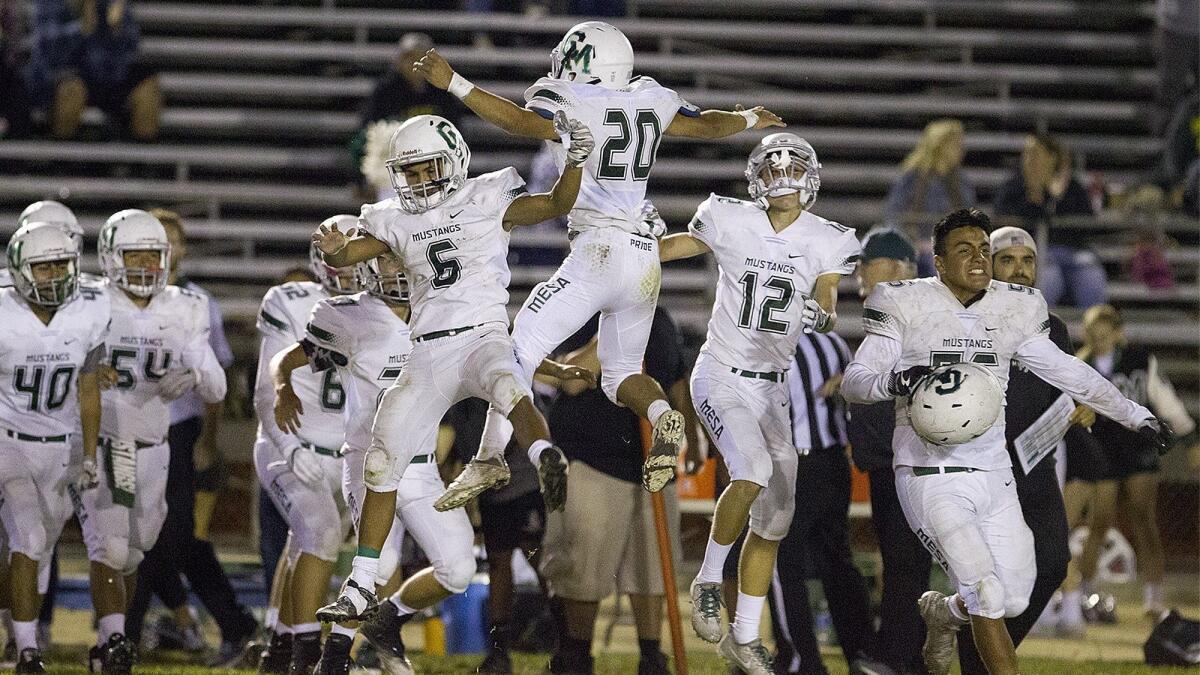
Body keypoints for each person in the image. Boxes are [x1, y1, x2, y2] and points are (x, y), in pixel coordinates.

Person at [412, 22, 785, 507]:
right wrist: (750, 119)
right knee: (622, 372)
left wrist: (454, 83)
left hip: (598, 248)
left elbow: (519, 122)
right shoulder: (648, 98)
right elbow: (705, 123)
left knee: (515, 347)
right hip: (644, 255)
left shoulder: (570, 97)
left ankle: (489, 456)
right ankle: (658, 412)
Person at [840, 207, 1171, 675]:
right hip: (928, 471)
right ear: (937, 261)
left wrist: (1135, 415)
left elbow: (1069, 371)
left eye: (982, 249)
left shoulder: (1014, 308)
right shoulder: (902, 302)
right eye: (964, 251)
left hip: (993, 474)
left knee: (1014, 596)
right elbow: (857, 380)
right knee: (987, 591)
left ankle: (945, 611)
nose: (977, 259)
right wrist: (893, 382)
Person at [312, 112, 594, 623]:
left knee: (511, 387)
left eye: (429, 168)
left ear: (455, 160)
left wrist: (574, 162)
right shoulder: (396, 217)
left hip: (483, 334)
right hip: (429, 349)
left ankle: (544, 453)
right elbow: (352, 255)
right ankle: (359, 585)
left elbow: (557, 202)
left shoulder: (486, 197)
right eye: (412, 172)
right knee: (381, 460)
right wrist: (335, 250)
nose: (420, 180)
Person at [659, 134, 860, 674]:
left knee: (775, 520)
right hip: (720, 373)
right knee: (750, 470)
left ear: (811, 177)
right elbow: (679, 246)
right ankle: (705, 581)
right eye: (773, 171)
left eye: (793, 168)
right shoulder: (728, 217)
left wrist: (822, 312)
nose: (783, 180)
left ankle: (745, 636)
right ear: (757, 179)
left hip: (772, 386)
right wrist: (631, 248)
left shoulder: (827, 238)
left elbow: (827, 294)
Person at [270, 251, 479, 674]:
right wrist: (282, 387)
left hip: (420, 468)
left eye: (404, 257)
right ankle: (333, 658)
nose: (399, 268)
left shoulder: (441, 310)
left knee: (458, 569)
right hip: (370, 463)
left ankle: (387, 622)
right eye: (387, 259)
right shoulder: (349, 315)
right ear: (369, 265)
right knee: (378, 566)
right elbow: (289, 358)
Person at [71, 209, 226, 674]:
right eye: (132, 255)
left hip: (157, 444)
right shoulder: (91, 302)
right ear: (110, 258)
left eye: (151, 255)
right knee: (110, 548)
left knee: (139, 546)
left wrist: (195, 369)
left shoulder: (184, 306)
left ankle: (116, 634)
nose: (143, 265)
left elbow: (216, 388)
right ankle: (111, 640)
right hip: (106, 440)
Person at [951, 226, 1101, 673]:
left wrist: (1082, 410)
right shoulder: (963, 318)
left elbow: (1066, 389)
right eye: (1008, 260)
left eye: (1027, 261)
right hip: (982, 471)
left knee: (1053, 563)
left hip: (1036, 468)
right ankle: (982, 660)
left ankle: (986, 652)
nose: (1019, 270)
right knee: (988, 579)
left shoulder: (1052, 327)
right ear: (989, 265)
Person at [122, 208, 258, 666]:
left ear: (181, 248)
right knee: (136, 535)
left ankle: (133, 631)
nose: (165, 247)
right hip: (123, 429)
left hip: (178, 430)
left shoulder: (196, 302)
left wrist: (208, 440)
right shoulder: (114, 299)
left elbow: (214, 378)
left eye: (173, 239)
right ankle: (217, 623)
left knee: (170, 535)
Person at [540, 308, 698, 675]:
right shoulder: (587, 311)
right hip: (593, 460)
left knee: (652, 569)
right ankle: (576, 655)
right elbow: (572, 379)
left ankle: (650, 655)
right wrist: (616, 326)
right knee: (583, 569)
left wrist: (694, 437)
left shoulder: (660, 317)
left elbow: (676, 381)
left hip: (651, 464)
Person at [252, 216, 362, 674]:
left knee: (304, 545)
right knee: (318, 534)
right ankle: (303, 653)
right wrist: (291, 449)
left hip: (346, 457)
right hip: (289, 447)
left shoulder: (381, 307)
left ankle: (277, 647)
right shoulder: (291, 301)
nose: (350, 268)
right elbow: (264, 392)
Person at [1, 222, 109, 673]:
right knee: (28, 534)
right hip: (7, 441)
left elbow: (88, 389)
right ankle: (28, 651)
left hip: (59, 447)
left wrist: (88, 454)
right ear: (21, 269)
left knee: (38, 550)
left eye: (61, 265)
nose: (53, 275)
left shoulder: (87, 310)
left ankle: (18, 635)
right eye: (42, 266)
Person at [765, 326, 881, 675]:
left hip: (794, 464)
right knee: (837, 563)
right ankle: (863, 654)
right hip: (833, 464)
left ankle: (801, 661)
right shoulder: (833, 343)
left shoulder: (768, 341)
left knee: (781, 565)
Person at [1073, 304, 1197, 620]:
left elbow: (1166, 401)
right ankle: (1082, 593)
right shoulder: (1078, 365)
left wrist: (1190, 439)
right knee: (1099, 522)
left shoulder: (1140, 361)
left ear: (1118, 333)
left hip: (1138, 448)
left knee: (1144, 518)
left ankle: (1153, 598)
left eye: (1105, 334)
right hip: (1101, 451)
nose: (1099, 339)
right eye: (1094, 334)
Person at [845, 228, 929, 675]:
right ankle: (900, 652)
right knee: (898, 560)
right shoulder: (890, 317)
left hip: (908, 461)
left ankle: (900, 657)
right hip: (890, 461)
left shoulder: (908, 318)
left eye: (869, 262)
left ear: (898, 270)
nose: (859, 272)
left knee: (905, 561)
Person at [992, 135, 1104, 308]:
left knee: (1091, 274)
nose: (1030, 159)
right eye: (1027, 154)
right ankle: (1041, 329)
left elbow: (1086, 222)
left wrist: (1057, 198)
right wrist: (1036, 197)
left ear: (1052, 158)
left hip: (1073, 251)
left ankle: (1094, 331)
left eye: (1036, 154)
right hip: (1034, 253)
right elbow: (1003, 221)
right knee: (1049, 278)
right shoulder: (1012, 188)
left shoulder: (1071, 187)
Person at [26, 0, 160, 140]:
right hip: (63, 73)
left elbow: (131, 46)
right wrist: (82, 27)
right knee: (72, 91)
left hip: (107, 74)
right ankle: (60, 156)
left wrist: (117, 29)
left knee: (147, 90)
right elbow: (49, 48)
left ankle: (140, 157)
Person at [353, 32, 459, 170]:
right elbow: (366, 135)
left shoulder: (442, 92)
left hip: (433, 168)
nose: (415, 63)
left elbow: (455, 135)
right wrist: (362, 178)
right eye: (409, 58)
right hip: (391, 169)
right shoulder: (385, 92)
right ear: (399, 61)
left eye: (422, 58)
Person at [883, 119, 975, 277]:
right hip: (915, 249)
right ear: (940, 145)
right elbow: (893, 215)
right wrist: (910, 244)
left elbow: (970, 218)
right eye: (955, 145)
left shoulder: (961, 182)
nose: (962, 150)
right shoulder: (912, 178)